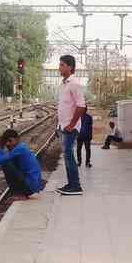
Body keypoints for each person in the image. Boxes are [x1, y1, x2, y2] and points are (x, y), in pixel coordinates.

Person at [56, 54, 86, 195]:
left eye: (62, 65)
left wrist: (72, 124)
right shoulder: (64, 84)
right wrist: (60, 125)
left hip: (70, 127)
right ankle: (71, 184)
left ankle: (76, 186)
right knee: (67, 155)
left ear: (70, 67)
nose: (59, 67)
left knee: (68, 154)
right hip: (64, 126)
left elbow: (81, 106)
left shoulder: (74, 83)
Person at [0, 128, 45, 200]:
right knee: (9, 162)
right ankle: (20, 192)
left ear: (17, 139)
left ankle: (20, 193)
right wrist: (0, 148)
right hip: (31, 184)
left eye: (10, 141)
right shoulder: (20, 146)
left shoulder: (19, 148)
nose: (8, 143)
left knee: (6, 164)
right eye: (6, 141)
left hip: (31, 186)